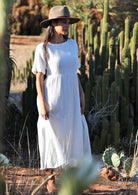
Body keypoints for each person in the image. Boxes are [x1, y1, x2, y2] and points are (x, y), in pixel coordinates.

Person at [32, 5, 91, 193]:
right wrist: (42, 102)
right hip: (53, 96)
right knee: (50, 134)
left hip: (72, 95)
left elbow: (75, 72)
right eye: (61, 22)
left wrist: (81, 94)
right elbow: (39, 77)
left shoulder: (72, 44)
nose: (65, 25)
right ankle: (50, 179)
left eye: (67, 22)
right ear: (52, 24)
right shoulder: (43, 48)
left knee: (74, 133)